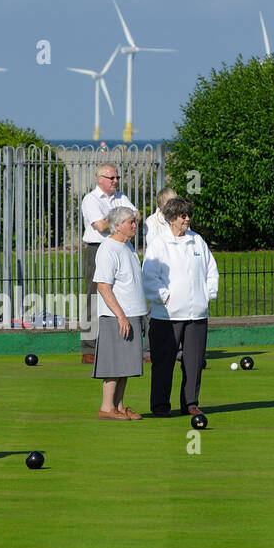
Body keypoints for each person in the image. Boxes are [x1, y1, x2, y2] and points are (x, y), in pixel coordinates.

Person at [141, 196, 219, 418]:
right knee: (163, 363)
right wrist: (165, 298)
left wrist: (207, 294)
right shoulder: (158, 244)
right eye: (183, 215)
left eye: (189, 215)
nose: (187, 219)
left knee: (193, 363)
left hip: (197, 314)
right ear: (171, 218)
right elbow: (149, 277)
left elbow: (211, 271)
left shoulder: (197, 241)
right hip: (167, 316)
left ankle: (190, 403)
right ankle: (160, 405)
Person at [78, 162, 137, 363]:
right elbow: (101, 226)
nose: (115, 181)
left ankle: (121, 341)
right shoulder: (90, 199)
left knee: (125, 293)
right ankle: (89, 348)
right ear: (100, 179)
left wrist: (120, 220)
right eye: (111, 178)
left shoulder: (121, 197)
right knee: (93, 296)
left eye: (117, 177)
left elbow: (136, 215)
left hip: (121, 247)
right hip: (97, 249)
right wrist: (120, 217)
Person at [93, 206, 147, 420]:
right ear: (117, 226)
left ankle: (119, 406)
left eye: (134, 221)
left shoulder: (129, 246)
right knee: (114, 363)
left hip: (133, 314)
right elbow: (103, 286)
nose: (135, 225)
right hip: (116, 316)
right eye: (130, 222)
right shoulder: (108, 249)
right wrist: (121, 316)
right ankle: (106, 407)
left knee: (126, 363)